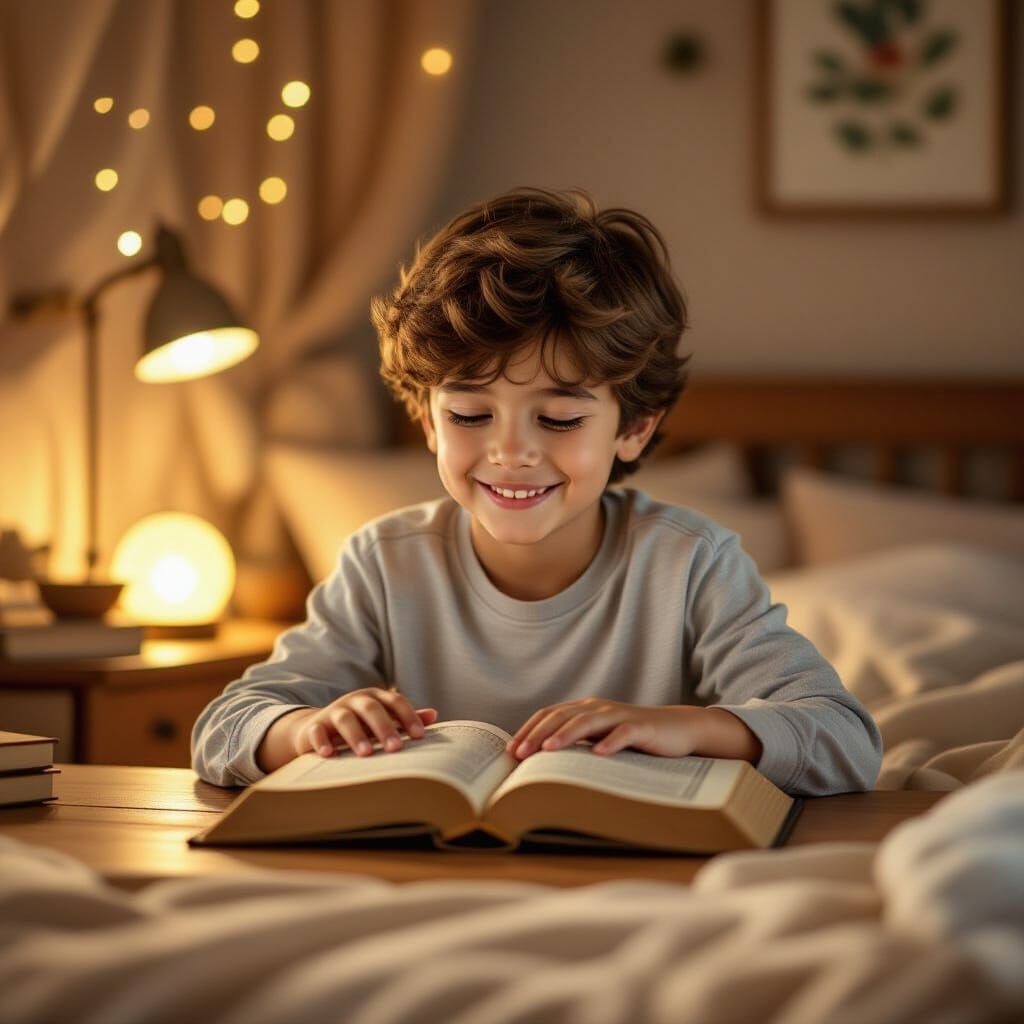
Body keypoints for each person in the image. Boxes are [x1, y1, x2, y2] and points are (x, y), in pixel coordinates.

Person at [191, 186, 882, 795]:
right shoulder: (384, 563)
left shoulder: (691, 564)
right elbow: (220, 732)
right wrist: (309, 726)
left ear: (634, 428)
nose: (511, 451)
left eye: (558, 418)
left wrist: (682, 727)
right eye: (468, 415)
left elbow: (846, 739)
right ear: (426, 422)